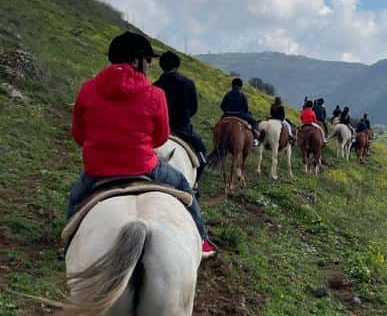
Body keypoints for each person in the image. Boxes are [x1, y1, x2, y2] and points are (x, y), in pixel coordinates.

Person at [67, 31, 216, 259]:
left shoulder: (87, 88)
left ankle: (69, 246)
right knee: (184, 185)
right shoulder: (154, 93)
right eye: (148, 60)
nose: (149, 65)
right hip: (143, 166)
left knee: (74, 200)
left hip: (97, 170)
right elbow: (161, 137)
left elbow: (78, 135)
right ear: (137, 60)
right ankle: (203, 240)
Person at [154, 51, 208, 168]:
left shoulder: (155, 85)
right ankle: (195, 184)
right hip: (183, 128)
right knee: (202, 152)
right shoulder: (188, 83)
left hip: (159, 129)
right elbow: (194, 108)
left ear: (161, 66)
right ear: (177, 65)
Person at [220, 78, 260, 142]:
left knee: (219, 124)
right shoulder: (242, 95)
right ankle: (255, 139)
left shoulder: (228, 94)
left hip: (227, 114)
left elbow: (222, 106)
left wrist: (227, 111)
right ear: (240, 86)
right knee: (254, 122)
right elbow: (246, 108)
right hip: (240, 115)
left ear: (232, 85)